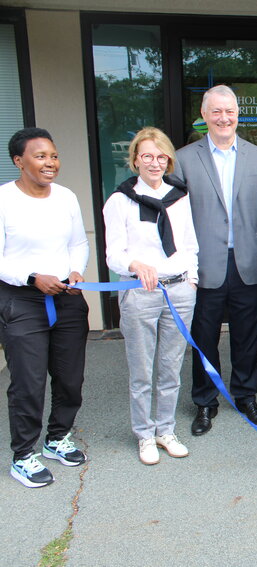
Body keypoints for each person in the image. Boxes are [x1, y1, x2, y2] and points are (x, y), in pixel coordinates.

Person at [173, 85, 257, 436]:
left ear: (238, 114)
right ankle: (205, 402)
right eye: (216, 111)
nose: (224, 118)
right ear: (204, 116)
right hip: (203, 266)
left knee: (247, 337)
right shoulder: (184, 158)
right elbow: (174, 218)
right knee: (203, 337)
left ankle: (246, 396)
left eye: (229, 111)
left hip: (249, 261)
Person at [103, 127, 198, 465]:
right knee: (142, 370)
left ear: (168, 160)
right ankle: (144, 434)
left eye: (161, 157)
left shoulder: (180, 196)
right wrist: (133, 263)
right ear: (135, 160)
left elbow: (188, 243)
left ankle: (166, 430)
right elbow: (112, 253)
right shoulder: (120, 200)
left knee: (171, 367)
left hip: (179, 290)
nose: (155, 163)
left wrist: (193, 279)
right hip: (140, 293)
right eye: (147, 156)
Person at [1, 128, 89, 488]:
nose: (50, 162)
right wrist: (32, 276)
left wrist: (75, 270)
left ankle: (57, 438)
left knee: (70, 378)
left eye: (53, 155)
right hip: (21, 299)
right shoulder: (4, 199)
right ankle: (23, 455)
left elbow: (78, 242)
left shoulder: (66, 197)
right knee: (29, 382)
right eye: (40, 156)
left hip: (66, 299)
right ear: (19, 161)